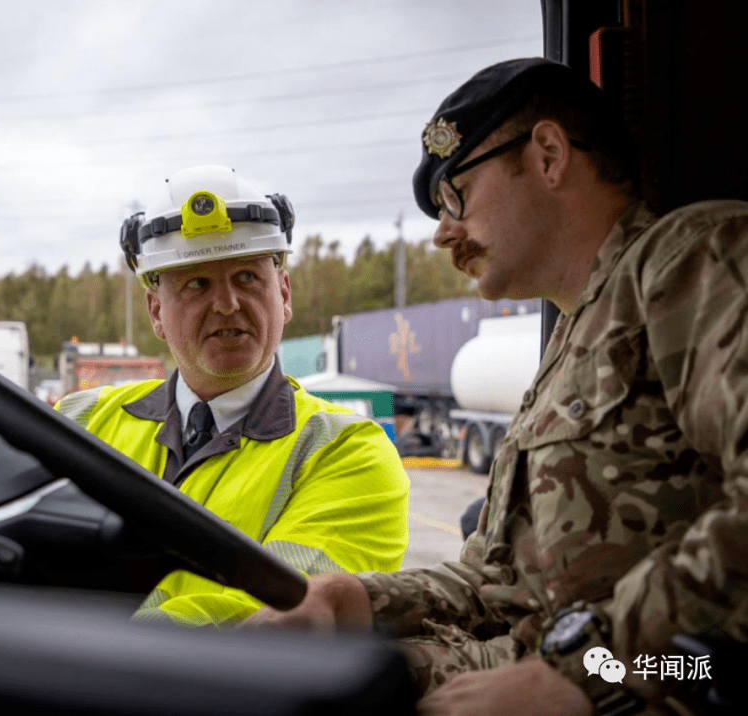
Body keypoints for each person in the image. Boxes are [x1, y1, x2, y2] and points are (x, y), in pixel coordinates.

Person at [241, 58, 748, 716]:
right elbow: (498, 580)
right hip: (551, 657)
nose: (443, 232)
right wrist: (357, 599)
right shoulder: (574, 333)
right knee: (276, 672)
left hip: (652, 673)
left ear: (547, 155)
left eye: (459, 195)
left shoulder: (688, 259)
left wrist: (585, 671)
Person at [0, 164, 411, 627]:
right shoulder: (82, 421)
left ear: (285, 295)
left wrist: (42, 648)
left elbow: (285, 614)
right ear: (156, 312)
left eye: (248, 276)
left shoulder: (349, 453)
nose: (228, 303)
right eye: (193, 286)